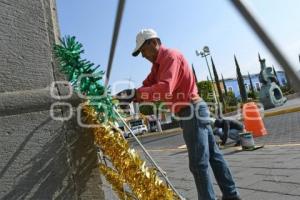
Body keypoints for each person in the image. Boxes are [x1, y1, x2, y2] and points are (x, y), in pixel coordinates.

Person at [116, 28, 241, 200]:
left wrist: (135, 94)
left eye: (143, 50)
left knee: (198, 163)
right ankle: (232, 195)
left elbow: (165, 89)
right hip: (192, 110)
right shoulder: (157, 66)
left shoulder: (170, 57)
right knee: (214, 156)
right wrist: (128, 95)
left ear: (153, 42)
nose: (143, 55)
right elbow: (147, 84)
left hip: (191, 110)